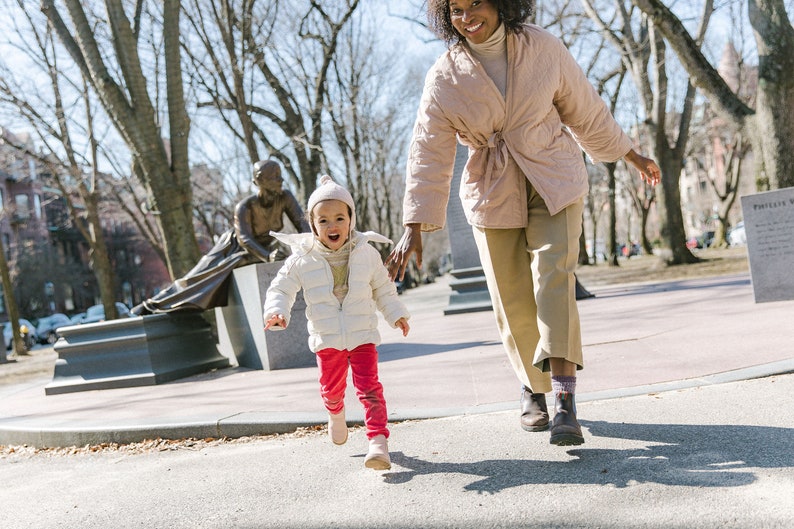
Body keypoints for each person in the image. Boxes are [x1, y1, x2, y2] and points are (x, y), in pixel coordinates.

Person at [386, 0, 661, 446]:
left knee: (554, 278)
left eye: (477, 3)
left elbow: (585, 110)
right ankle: (532, 388)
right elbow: (428, 150)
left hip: (553, 173)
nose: (467, 16)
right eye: (455, 9)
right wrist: (415, 224)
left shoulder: (542, 47)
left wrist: (629, 153)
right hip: (492, 188)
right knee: (510, 294)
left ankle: (565, 399)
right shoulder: (443, 75)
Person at [263, 175, 410, 470]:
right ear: (313, 225)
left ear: (351, 219)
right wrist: (276, 313)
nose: (333, 226)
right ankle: (335, 412)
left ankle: (378, 442)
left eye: (340, 218)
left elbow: (383, 289)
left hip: (362, 335)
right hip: (327, 337)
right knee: (331, 390)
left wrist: (397, 314)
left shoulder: (367, 253)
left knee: (370, 388)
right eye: (324, 221)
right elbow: (281, 288)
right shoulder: (301, 258)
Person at [132, 160, 310, 315]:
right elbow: (245, 240)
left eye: (280, 175)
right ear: (260, 180)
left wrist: (313, 246)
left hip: (259, 249)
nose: (281, 180)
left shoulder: (285, 197)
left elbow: (303, 225)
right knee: (194, 280)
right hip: (231, 248)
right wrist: (267, 256)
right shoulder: (245, 206)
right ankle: (152, 304)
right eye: (275, 176)